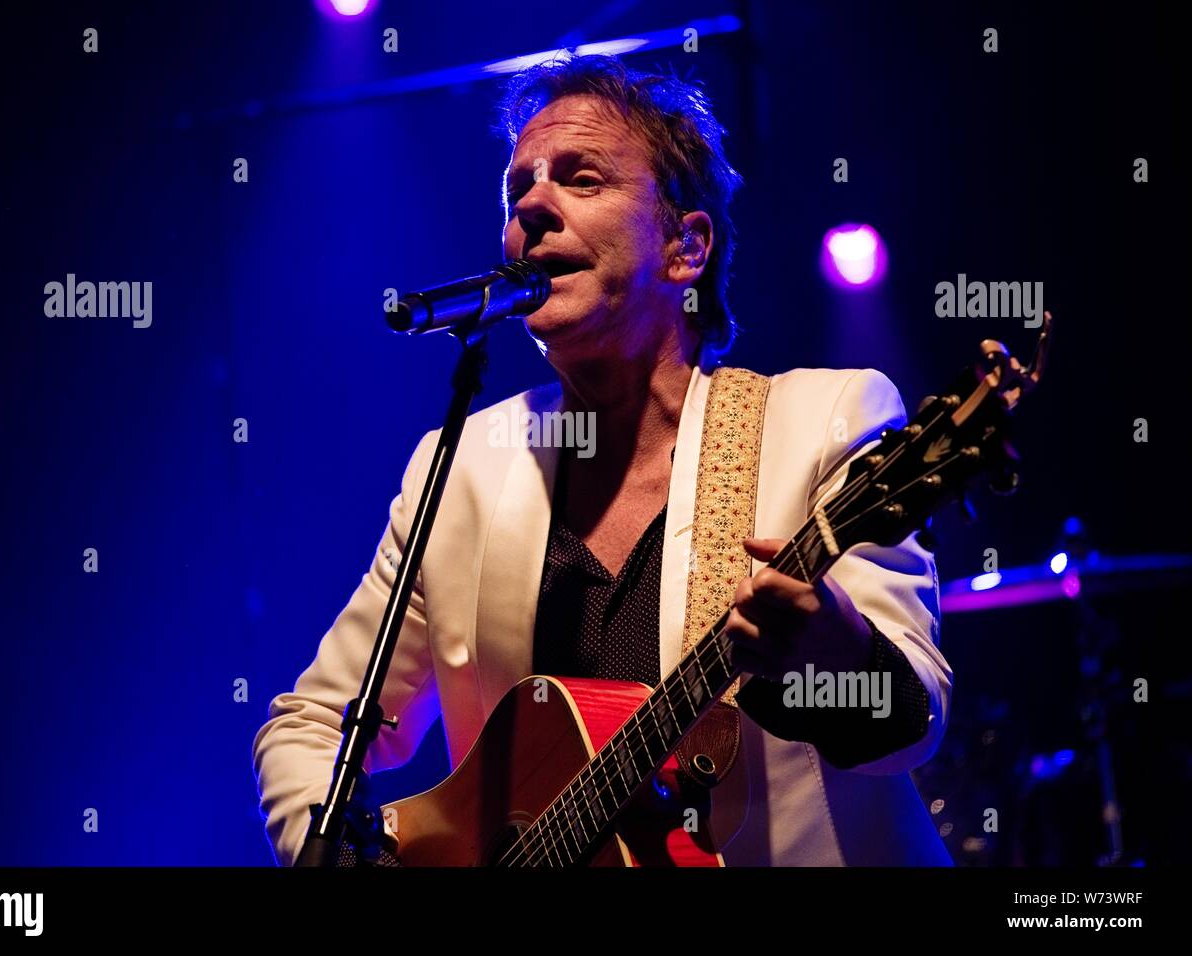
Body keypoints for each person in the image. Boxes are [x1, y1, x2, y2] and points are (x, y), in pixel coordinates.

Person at [253, 54, 952, 866]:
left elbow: (913, 723)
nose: (534, 207)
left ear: (685, 248)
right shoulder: (465, 467)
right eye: (519, 190)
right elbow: (311, 723)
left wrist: (837, 654)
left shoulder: (822, 421)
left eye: (581, 179)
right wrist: (335, 853)